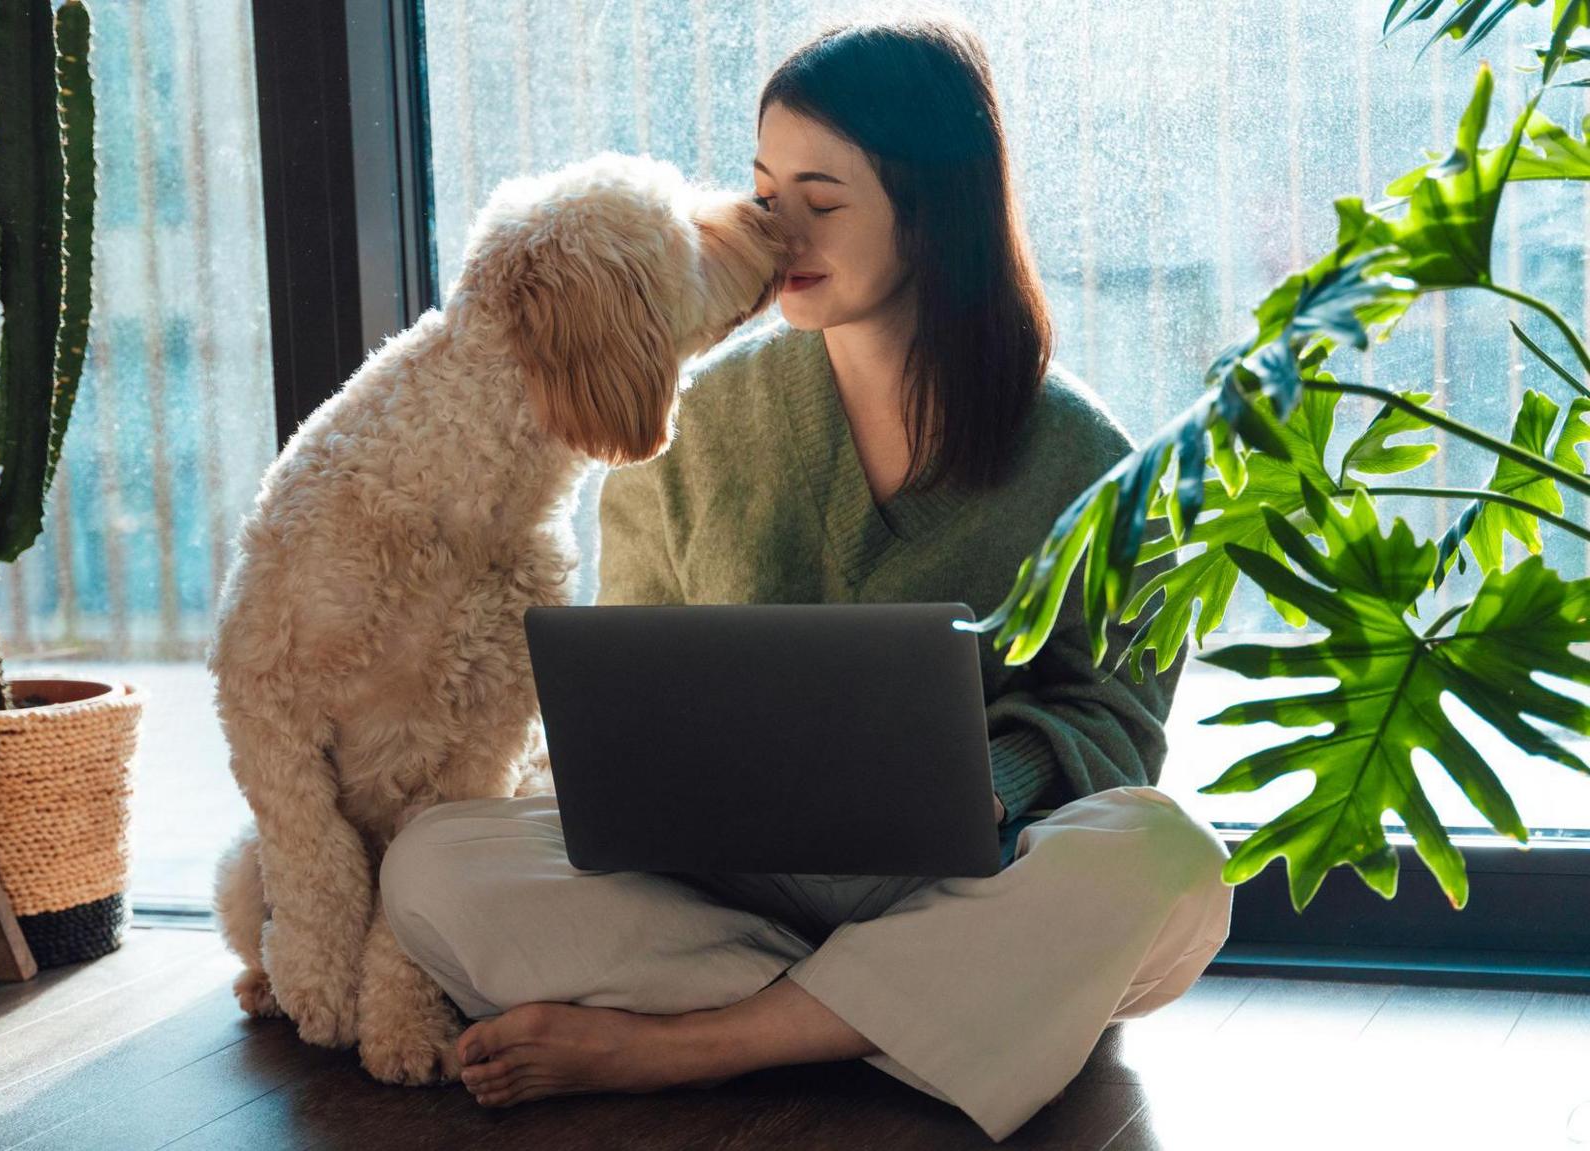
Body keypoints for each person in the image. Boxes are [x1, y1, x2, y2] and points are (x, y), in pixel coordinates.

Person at [377, 12, 1232, 1142]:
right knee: (433, 861)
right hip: (722, 890)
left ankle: (694, 1043)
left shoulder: (1085, 459)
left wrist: (997, 781)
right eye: (764, 190)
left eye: (821, 199)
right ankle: (904, 1014)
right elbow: (624, 693)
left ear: (933, 212)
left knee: (1167, 864)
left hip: (955, 887)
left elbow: (1115, 718)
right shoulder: (694, 425)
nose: (779, 230)